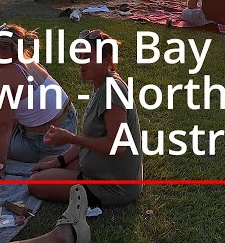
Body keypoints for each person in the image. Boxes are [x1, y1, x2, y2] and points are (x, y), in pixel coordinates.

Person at [27, 29, 141, 243]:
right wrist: (58, 160)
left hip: (113, 185)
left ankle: (87, 194)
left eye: (89, 56)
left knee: (36, 183)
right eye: (80, 55)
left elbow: (119, 145)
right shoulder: (102, 85)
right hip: (100, 169)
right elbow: (90, 135)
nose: (81, 62)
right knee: (47, 168)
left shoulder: (111, 91)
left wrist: (70, 138)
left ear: (107, 58)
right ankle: (70, 171)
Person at [0, 24, 79, 167]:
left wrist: (0, 166)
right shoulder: (28, 61)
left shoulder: (7, 75)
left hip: (46, 143)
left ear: (11, 51)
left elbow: (4, 126)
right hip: (68, 124)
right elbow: (6, 107)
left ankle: (39, 154)